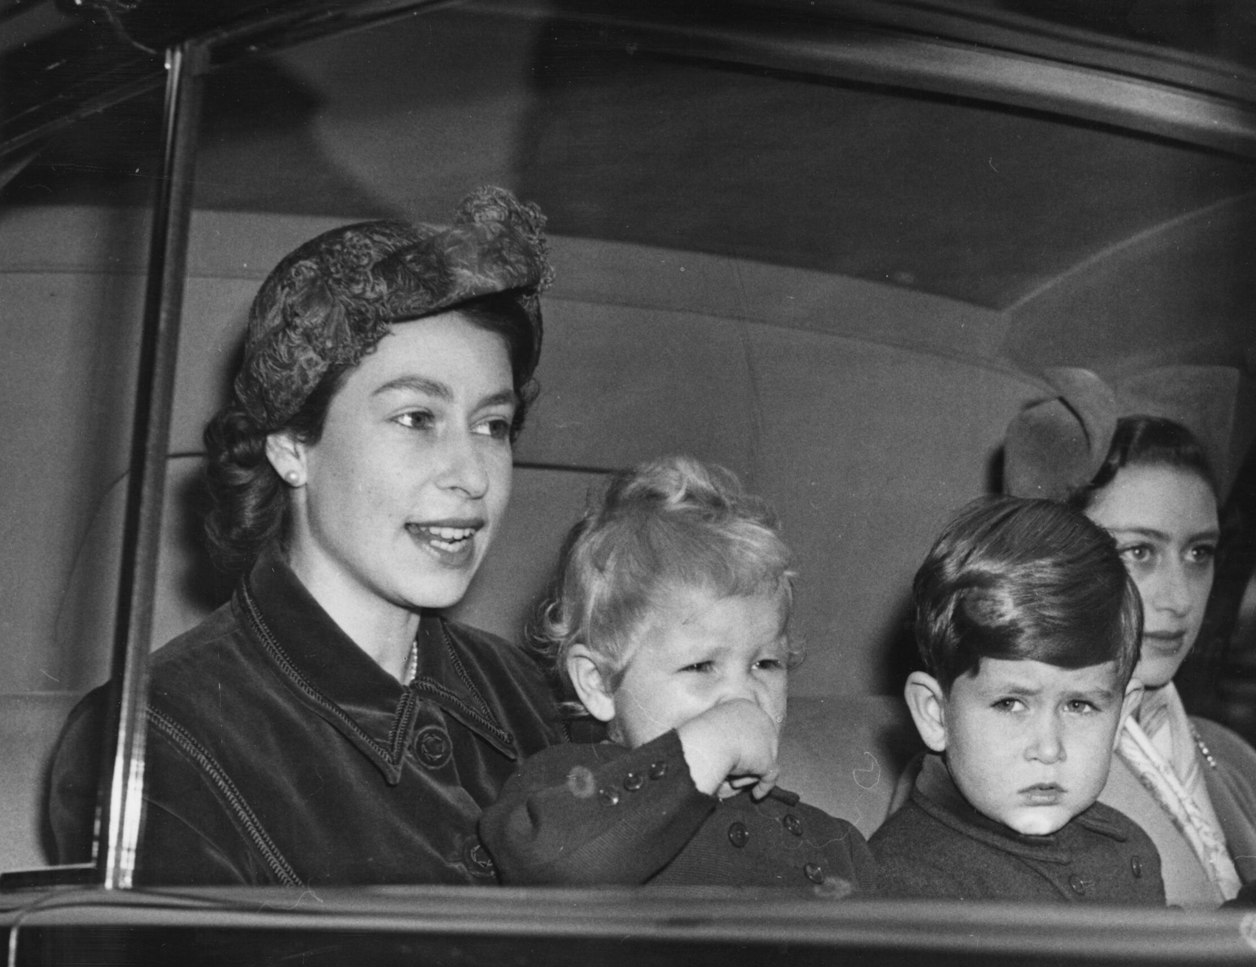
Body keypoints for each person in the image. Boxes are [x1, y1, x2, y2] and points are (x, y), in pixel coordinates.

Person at [46, 185, 577, 885]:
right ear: (292, 443)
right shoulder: (151, 741)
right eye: (417, 418)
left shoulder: (526, 694)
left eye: (493, 425)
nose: (473, 475)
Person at [1003, 365, 1256, 908]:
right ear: (1051, 559)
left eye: (1198, 554)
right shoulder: (1010, 768)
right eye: (1139, 552)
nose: (1180, 599)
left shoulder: (1231, 762)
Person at [481, 456, 875, 894]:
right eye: (701, 666)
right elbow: (552, 867)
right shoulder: (564, 787)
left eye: (765, 664)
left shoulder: (832, 841)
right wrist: (706, 747)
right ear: (597, 682)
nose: (742, 696)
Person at [869, 496, 1160, 903]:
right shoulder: (907, 884)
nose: (1048, 749)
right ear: (935, 714)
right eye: (1010, 704)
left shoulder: (1130, 850)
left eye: (1079, 705)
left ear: (1122, 716)